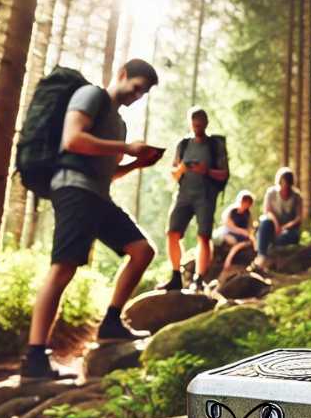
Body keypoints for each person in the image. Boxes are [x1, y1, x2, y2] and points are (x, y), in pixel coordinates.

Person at [21, 58, 164, 381]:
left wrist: (136, 164)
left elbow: (107, 172)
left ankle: (111, 322)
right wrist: (128, 148)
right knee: (64, 268)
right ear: (122, 75)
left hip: (98, 196)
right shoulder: (90, 96)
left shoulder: (119, 123)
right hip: (73, 188)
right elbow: (73, 140)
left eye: (142, 94)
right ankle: (34, 357)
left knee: (142, 250)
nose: (136, 96)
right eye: (136, 88)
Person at [159, 107, 229, 291]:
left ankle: (199, 278)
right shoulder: (183, 145)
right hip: (184, 195)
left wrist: (206, 171)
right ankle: (176, 275)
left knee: (203, 237)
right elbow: (174, 173)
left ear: (206, 123)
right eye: (194, 124)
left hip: (206, 196)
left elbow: (224, 174)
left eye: (200, 124)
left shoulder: (215, 146)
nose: (197, 127)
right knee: (172, 233)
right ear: (190, 123)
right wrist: (183, 167)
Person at [253, 167, 305, 270]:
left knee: (291, 237)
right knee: (265, 223)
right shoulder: (271, 193)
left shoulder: (297, 196)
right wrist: (277, 225)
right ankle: (261, 256)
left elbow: (299, 217)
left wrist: (285, 227)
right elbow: (267, 211)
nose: (284, 187)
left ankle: (272, 252)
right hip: (272, 226)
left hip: (288, 230)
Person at [213, 190, 256, 273]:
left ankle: (229, 259)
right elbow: (229, 225)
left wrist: (248, 233)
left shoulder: (248, 214)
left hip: (243, 237)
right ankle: (227, 260)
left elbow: (250, 227)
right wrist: (242, 231)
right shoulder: (232, 211)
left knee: (247, 243)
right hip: (229, 233)